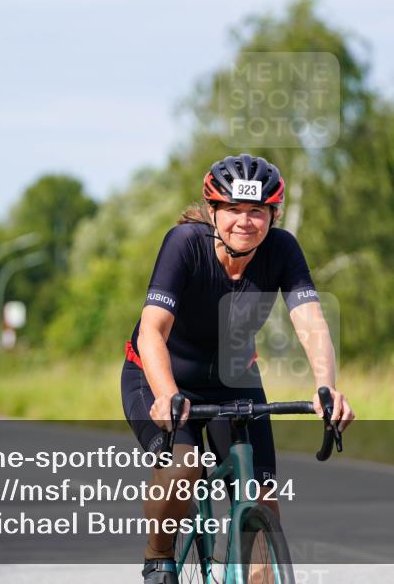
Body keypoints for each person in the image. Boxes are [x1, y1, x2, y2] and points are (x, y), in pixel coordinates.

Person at [121, 154, 355, 583]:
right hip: (159, 376)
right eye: (232, 209)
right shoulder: (185, 243)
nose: (244, 222)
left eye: (256, 211)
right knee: (184, 467)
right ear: (213, 212)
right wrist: (166, 395)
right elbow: (151, 330)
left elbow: (311, 322)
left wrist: (327, 389)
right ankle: (158, 554)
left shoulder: (282, 249)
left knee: (264, 503)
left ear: (272, 215)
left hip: (234, 381)